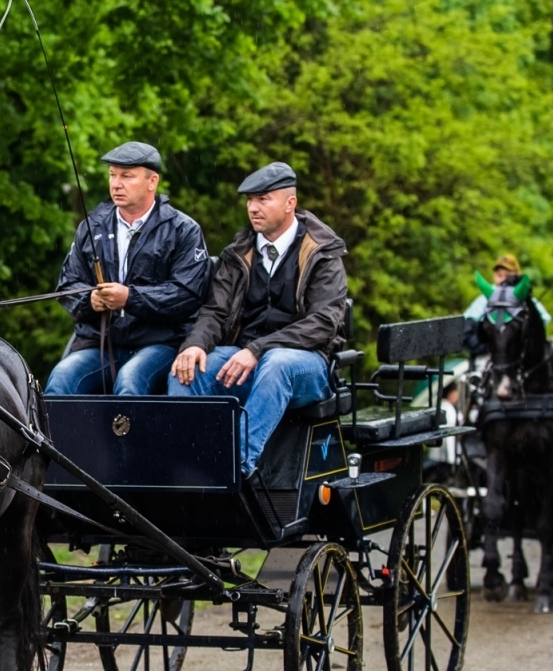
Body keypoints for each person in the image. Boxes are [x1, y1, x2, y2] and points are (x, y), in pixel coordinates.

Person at [168, 161, 348, 476]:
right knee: (187, 370)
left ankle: (234, 469)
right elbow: (215, 311)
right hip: (245, 359)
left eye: (263, 199)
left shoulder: (322, 253)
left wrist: (258, 349)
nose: (253, 207)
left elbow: (323, 322)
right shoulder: (238, 253)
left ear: (290, 203)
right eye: (250, 200)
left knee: (277, 363)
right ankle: (189, 468)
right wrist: (195, 344)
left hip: (307, 364)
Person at [45, 141, 209, 395]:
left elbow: (187, 295)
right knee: (60, 380)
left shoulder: (183, 229)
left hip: (160, 343)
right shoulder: (92, 226)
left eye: (127, 176)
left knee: (129, 381)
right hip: (99, 344)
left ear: (152, 181)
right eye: (112, 175)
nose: (116, 184)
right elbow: (67, 286)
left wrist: (130, 298)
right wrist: (89, 300)